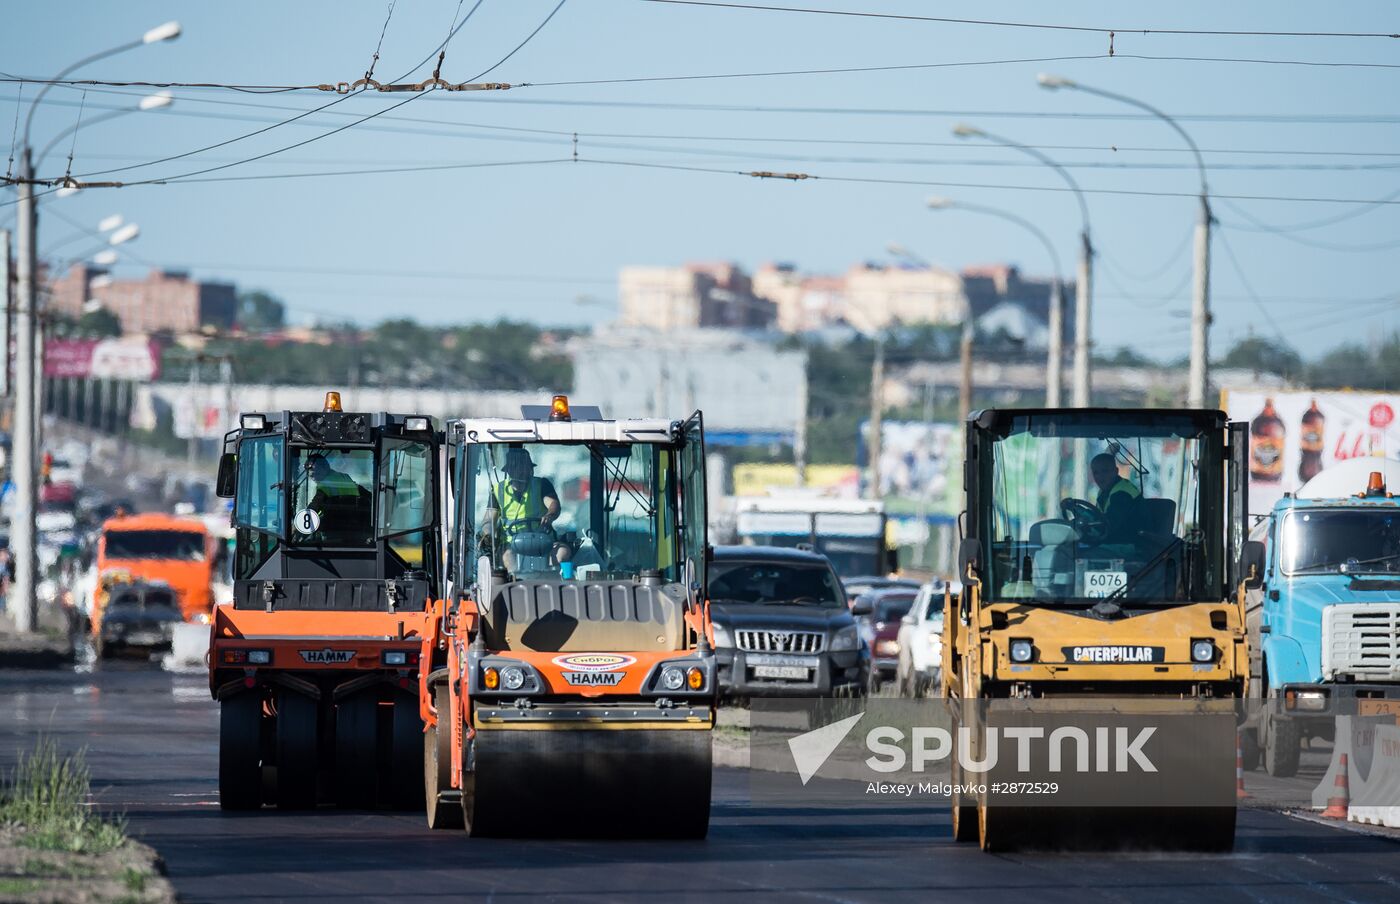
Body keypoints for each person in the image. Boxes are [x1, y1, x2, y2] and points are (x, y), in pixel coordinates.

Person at [484, 448, 572, 571]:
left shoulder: (542, 484)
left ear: (530, 469)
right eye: (517, 467)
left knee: (562, 552)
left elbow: (553, 505)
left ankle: (553, 582)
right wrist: (487, 535)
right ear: (509, 470)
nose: (522, 471)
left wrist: (549, 515)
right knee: (507, 557)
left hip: (543, 540)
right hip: (511, 544)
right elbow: (489, 520)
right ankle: (514, 584)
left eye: (525, 467)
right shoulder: (498, 490)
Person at [307, 453, 370, 532]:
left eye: (314, 471)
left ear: (324, 467)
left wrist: (300, 525)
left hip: (334, 530)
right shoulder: (345, 477)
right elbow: (369, 495)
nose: (311, 474)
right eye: (309, 471)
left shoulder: (324, 485)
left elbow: (314, 507)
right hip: (357, 528)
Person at [1089, 452, 1141, 539]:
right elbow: (1098, 517)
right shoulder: (1103, 492)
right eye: (1096, 473)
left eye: (1105, 471)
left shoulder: (1123, 493)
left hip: (1130, 545)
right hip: (1114, 541)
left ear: (1116, 471)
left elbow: (1110, 524)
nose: (1100, 476)